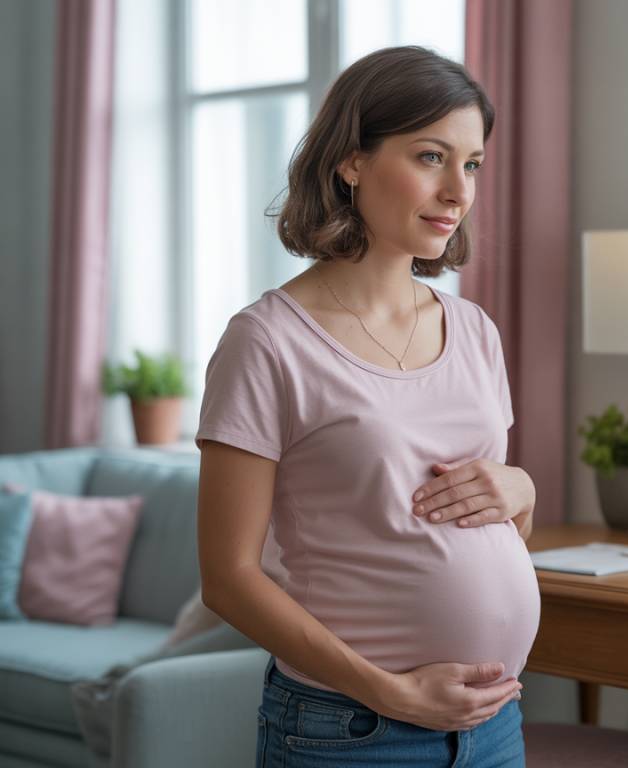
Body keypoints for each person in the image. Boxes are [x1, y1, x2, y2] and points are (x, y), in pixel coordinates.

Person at [195, 45, 541, 767]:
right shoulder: (265, 342)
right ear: (351, 161)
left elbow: (488, 524)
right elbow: (228, 578)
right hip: (352, 731)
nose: (458, 191)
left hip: (494, 725)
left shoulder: (474, 330)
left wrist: (522, 487)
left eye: (471, 164)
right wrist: (390, 692)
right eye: (430, 157)